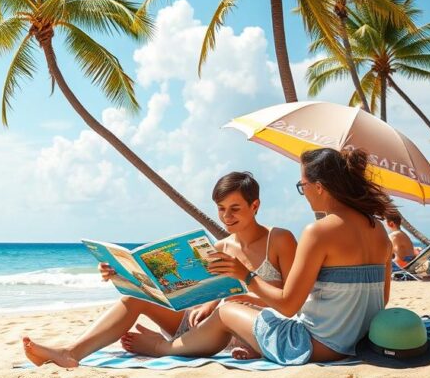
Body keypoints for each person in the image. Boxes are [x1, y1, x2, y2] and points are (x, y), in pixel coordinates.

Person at [119, 147, 393, 366]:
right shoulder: (377, 229)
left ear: (319, 187)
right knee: (234, 308)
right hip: (355, 343)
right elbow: (383, 297)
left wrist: (245, 275)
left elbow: (287, 306)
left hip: (317, 347)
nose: (304, 193)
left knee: (226, 311)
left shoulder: (319, 231)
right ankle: (253, 347)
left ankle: (161, 346)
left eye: (303, 185)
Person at [22, 171, 296, 367]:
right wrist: (120, 273)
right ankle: (71, 352)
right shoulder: (221, 246)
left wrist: (238, 297)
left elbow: (294, 299)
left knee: (223, 313)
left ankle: (160, 347)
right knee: (133, 297)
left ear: (255, 205)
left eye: (235, 208)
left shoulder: (280, 239)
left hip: (248, 328)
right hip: (204, 324)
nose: (227, 217)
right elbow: (213, 290)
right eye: (221, 209)